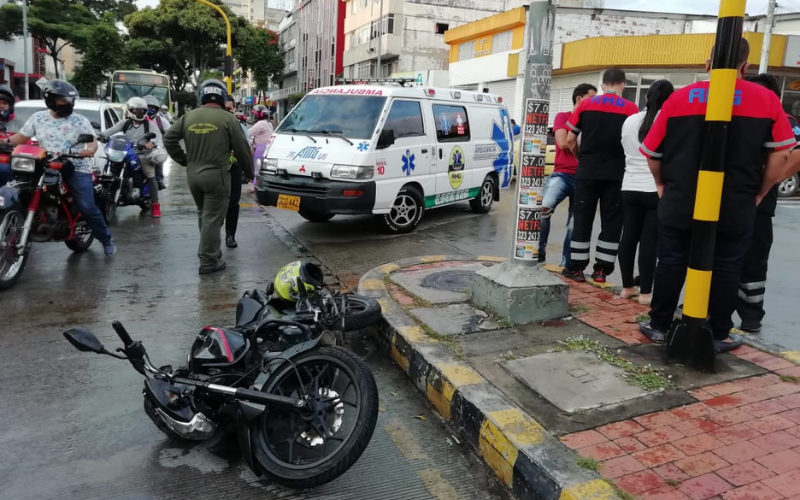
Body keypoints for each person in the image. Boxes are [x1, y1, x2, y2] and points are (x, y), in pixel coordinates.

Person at [639, 39, 795, 352]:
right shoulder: (765, 99)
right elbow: (782, 155)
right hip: (735, 202)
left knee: (671, 261)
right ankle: (720, 332)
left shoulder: (680, 98)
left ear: (708, 64)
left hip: (680, 199)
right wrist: (760, 191)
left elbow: (653, 153)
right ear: (746, 66)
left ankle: (658, 325)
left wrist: (661, 185)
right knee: (727, 265)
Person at [9, 80, 116, 255]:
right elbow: (20, 138)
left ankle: (105, 239)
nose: (68, 104)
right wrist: (5, 142)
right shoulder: (38, 118)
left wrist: (89, 150)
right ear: (51, 100)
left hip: (76, 166)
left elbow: (92, 143)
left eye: (70, 100)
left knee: (86, 207)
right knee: (21, 191)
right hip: (44, 164)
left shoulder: (80, 120)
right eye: (63, 100)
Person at [163, 79, 253, 275]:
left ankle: (211, 250)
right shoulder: (228, 119)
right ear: (221, 96)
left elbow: (168, 138)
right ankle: (208, 260)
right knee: (212, 217)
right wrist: (249, 172)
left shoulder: (188, 117)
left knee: (204, 214)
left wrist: (184, 160)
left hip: (193, 175)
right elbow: (242, 149)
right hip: (216, 176)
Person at [735, 74, 800, 333]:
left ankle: (751, 314)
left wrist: (769, 181)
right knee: (722, 256)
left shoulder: (785, 120)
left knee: (754, 258)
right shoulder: (739, 114)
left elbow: (794, 154)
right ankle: (713, 307)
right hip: (732, 197)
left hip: (759, 202)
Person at [563, 69, 639, 283]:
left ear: (603, 84)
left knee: (582, 218)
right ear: (622, 85)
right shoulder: (631, 109)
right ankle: (602, 271)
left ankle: (576, 268)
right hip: (616, 174)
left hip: (588, 171)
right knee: (613, 221)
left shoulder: (586, 105)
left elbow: (570, 139)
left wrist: (582, 158)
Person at [618, 80, 674, 306]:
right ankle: (646, 293)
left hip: (629, 185)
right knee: (650, 241)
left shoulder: (630, 120)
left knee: (628, 237)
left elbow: (624, 147)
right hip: (654, 187)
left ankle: (626, 287)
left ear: (647, 97)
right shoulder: (668, 120)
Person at [540, 83, 597, 266]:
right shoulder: (563, 117)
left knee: (575, 225)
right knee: (543, 208)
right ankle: (538, 253)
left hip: (584, 177)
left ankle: (567, 264)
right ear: (579, 99)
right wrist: (584, 154)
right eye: (592, 98)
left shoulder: (592, 121)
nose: (595, 102)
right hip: (563, 174)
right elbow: (563, 142)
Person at [100, 96, 166, 218]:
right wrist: (100, 135)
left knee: (150, 176)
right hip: (127, 151)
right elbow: (112, 130)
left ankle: (156, 205)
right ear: (130, 110)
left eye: (141, 110)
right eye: (136, 110)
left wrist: (150, 143)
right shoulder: (125, 123)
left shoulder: (148, 125)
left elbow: (155, 136)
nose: (138, 113)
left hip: (143, 153)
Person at [224, 96, 251, 249]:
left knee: (233, 203)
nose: (227, 112)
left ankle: (230, 235)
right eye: (224, 109)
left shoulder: (240, 126)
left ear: (234, 109)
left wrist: (248, 172)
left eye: (229, 109)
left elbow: (246, 148)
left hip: (234, 168)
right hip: (217, 169)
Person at [144, 95, 171, 191]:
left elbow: (170, 133)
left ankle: (159, 180)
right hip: (140, 148)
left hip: (157, 148)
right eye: (148, 107)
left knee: (159, 160)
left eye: (152, 107)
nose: (150, 109)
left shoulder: (161, 121)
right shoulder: (138, 120)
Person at [0, 84, 16, 185]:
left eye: (4, 103)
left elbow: (25, 141)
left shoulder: (19, 123)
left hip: (15, 161)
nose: (1, 106)